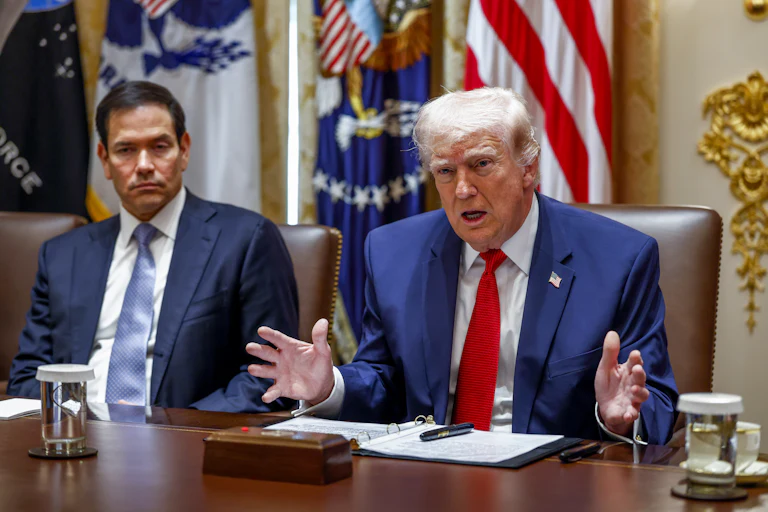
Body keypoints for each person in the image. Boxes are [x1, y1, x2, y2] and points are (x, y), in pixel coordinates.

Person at [246, 87, 678, 444]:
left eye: (482, 164)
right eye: (446, 171)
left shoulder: (618, 260)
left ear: (528, 168)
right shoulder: (394, 251)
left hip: (552, 487)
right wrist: (331, 386)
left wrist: (620, 417)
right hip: (428, 482)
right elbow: (386, 380)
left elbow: (656, 406)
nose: (464, 189)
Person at [7, 81, 298, 413]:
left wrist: (171, 430)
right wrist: (80, 424)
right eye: (126, 150)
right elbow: (29, 378)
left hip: (185, 446)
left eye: (159, 147)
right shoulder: (63, 255)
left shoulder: (246, 240)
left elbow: (270, 377)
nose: (144, 164)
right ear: (104, 159)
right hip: (78, 444)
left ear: (184, 149)